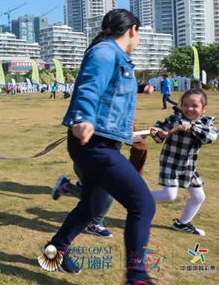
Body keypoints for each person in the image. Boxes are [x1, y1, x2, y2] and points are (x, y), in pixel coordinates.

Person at [39, 9, 155, 285]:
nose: (139, 40)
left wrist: (138, 93)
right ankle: (137, 276)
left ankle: (56, 249)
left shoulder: (116, 57)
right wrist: (82, 118)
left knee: (94, 205)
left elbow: (110, 89)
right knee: (143, 204)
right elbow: (89, 87)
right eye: (139, 35)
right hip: (94, 143)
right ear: (132, 30)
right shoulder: (105, 52)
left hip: (101, 142)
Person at [51, 84, 154, 238]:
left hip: (102, 161)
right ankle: (91, 222)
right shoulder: (94, 109)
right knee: (104, 196)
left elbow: (132, 139)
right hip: (88, 160)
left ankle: (69, 191)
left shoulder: (118, 112)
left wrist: (141, 135)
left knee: (96, 198)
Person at [150, 88, 218, 236]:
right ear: (180, 105)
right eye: (185, 105)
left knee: (199, 196)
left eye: (194, 106)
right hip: (170, 164)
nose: (189, 109)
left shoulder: (206, 123)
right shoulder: (174, 119)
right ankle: (137, 198)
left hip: (188, 167)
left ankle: (182, 223)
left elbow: (210, 137)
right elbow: (159, 130)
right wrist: (157, 132)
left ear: (204, 109)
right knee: (169, 196)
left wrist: (192, 127)